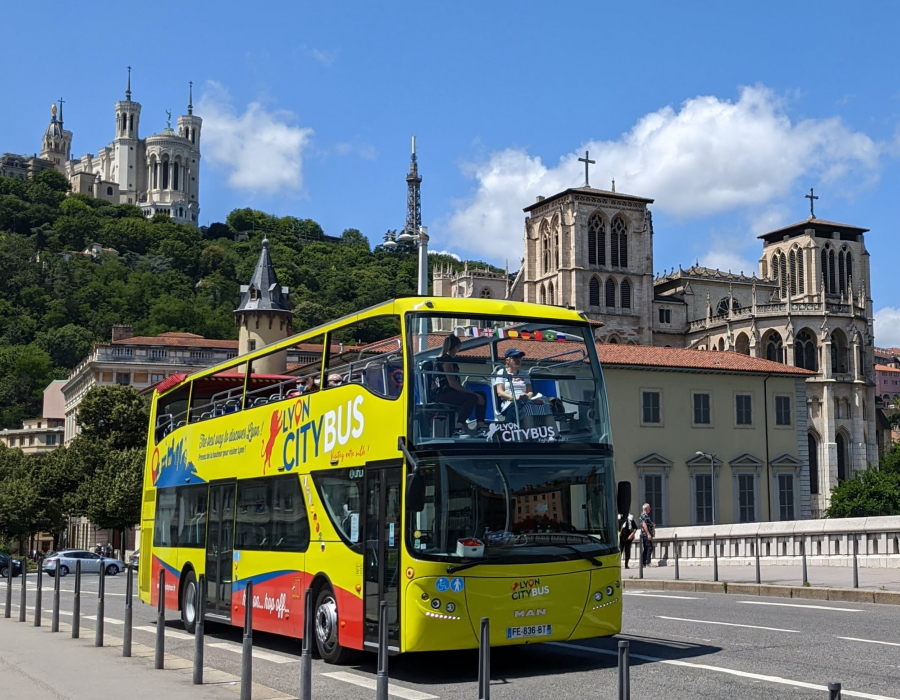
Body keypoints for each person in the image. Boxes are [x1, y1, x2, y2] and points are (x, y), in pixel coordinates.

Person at [433, 335, 487, 436]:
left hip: (450, 393)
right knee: (471, 397)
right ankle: (458, 427)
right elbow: (452, 383)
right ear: (457, 346)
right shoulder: (446, 360)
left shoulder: (449, 360)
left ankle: (480, 427)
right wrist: (472, 394)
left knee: (481, 395)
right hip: (443, 394)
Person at [493, 348, 539, 420]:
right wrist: (514, 398)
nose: (518, 359)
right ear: (507, 360)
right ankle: (524, 429)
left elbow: (530, 392)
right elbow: (500, 392)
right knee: (524, 408)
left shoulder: (524, 373)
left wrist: (526, 397)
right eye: (515, 357)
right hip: (510, 401)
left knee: (545, 407)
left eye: (520, 357)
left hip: (525, 401)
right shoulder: (502, 372)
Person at [639, 503, 655, 567]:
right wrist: (648, 534)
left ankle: (643, 563)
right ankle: (647, 562)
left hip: (647, 534)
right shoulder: (643, 515)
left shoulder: (646, 515)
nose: (650, 509)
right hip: (646, 534)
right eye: (649, 508)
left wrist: (652, 525)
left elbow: (647, 524)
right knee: (650, 547)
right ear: (645, 509)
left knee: (646, 548)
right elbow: (644, 525)